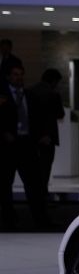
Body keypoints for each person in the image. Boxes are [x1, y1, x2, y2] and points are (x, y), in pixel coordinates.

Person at [0, 64, 48, 228]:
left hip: (27, 144)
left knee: (34, 183)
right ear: (8, 77)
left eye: (21, 74)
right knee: (5, 183)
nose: (19, 77)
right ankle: (8, 219)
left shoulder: (29, 95)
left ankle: (40, 219)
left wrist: (41, 135)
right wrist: (4, 133)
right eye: (15, 74)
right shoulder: (3, 96)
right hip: (8, 145)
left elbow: (37, 117)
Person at [27, 68, 65, 201]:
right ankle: (43, 195)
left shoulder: (29, 91)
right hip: (48, 137)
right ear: (54, 81)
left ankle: (34, 195)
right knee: (45, 167)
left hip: (32, 137)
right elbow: (60, 114)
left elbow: (28, 115)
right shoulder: (53, 94)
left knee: (33, 168)